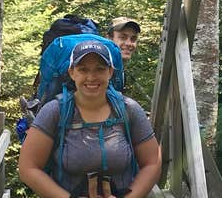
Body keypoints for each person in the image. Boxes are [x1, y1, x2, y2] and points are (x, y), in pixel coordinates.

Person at [18, 40, 161, 198]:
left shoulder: (128, 109)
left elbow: (152, 162)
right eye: (83, 69)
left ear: (110, 72)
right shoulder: (55, 111)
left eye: (100, 69)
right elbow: (28, 168)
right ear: (72, 72)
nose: (91, 77)